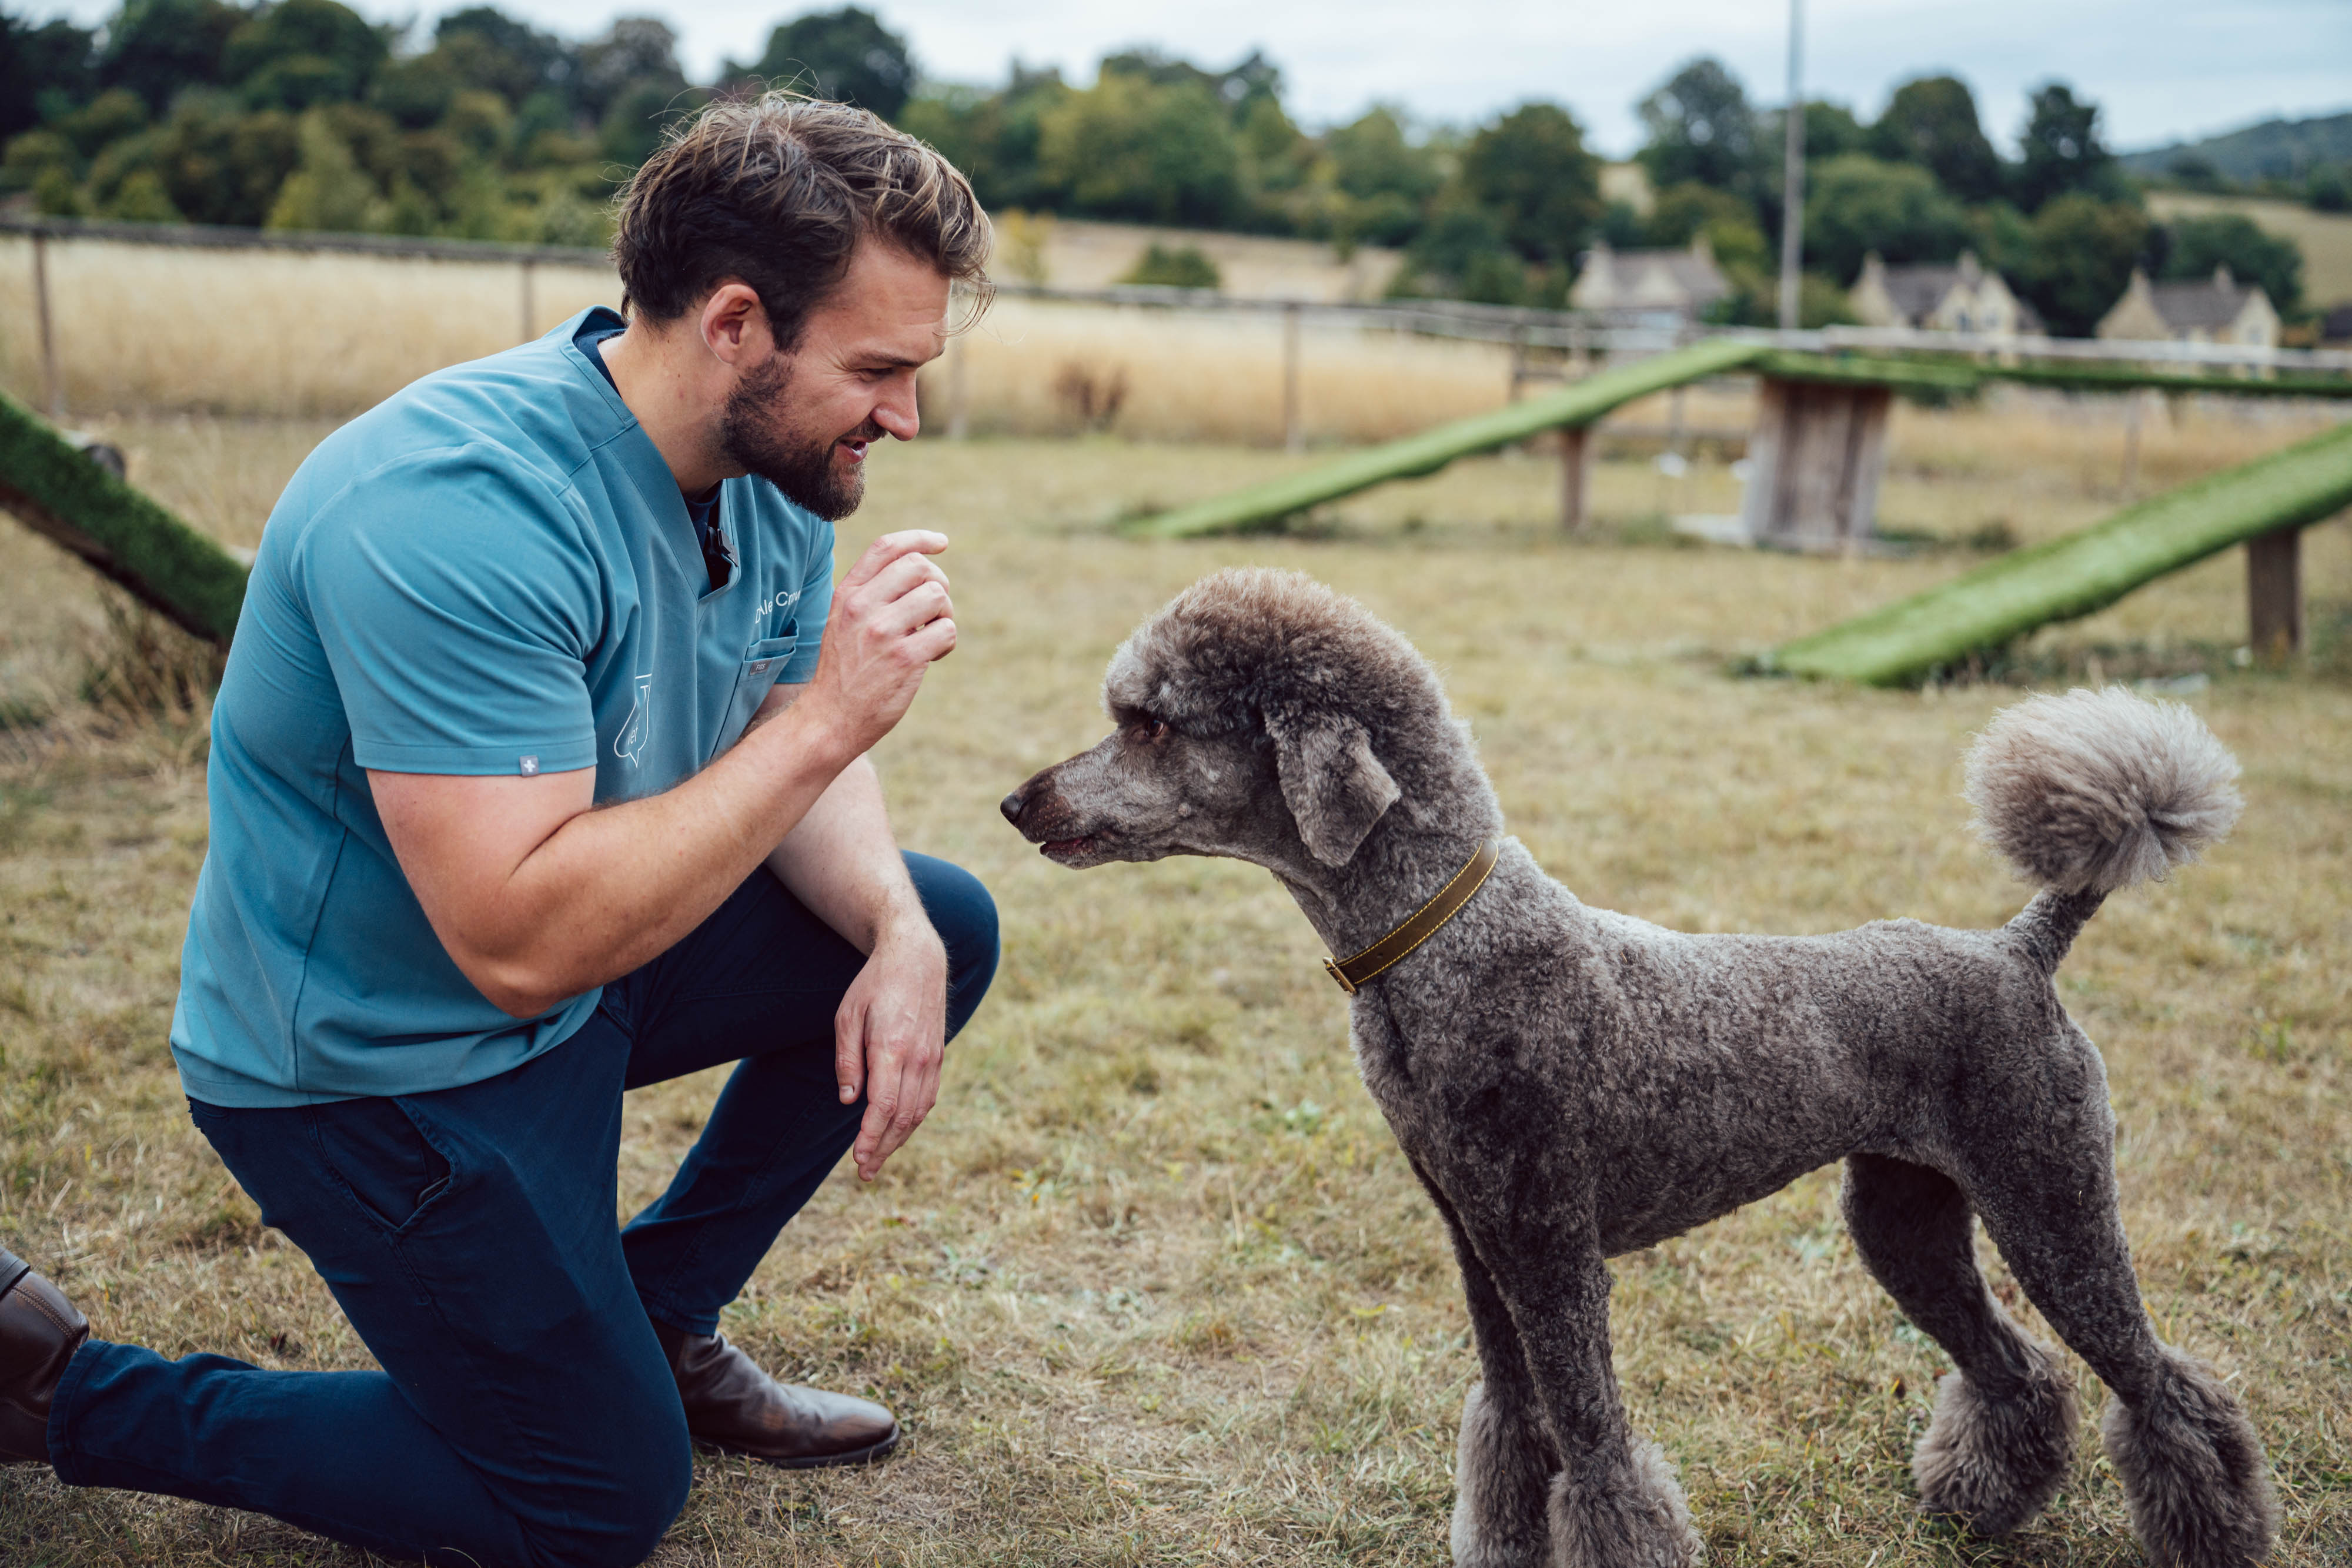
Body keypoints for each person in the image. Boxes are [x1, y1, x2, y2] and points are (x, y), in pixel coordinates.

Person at [0, 96, 998, 1567]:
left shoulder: (772, 474)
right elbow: (519, 944)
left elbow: (778, 723)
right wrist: (830, 719)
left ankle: (651, 1321)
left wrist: (893, 927)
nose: (902, 416)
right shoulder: (454, 507)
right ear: (734, 321)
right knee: (586, 1500)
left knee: (940, 918)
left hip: (571, 982)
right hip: (375, 1065)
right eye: (880, 370)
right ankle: (58, 1386)